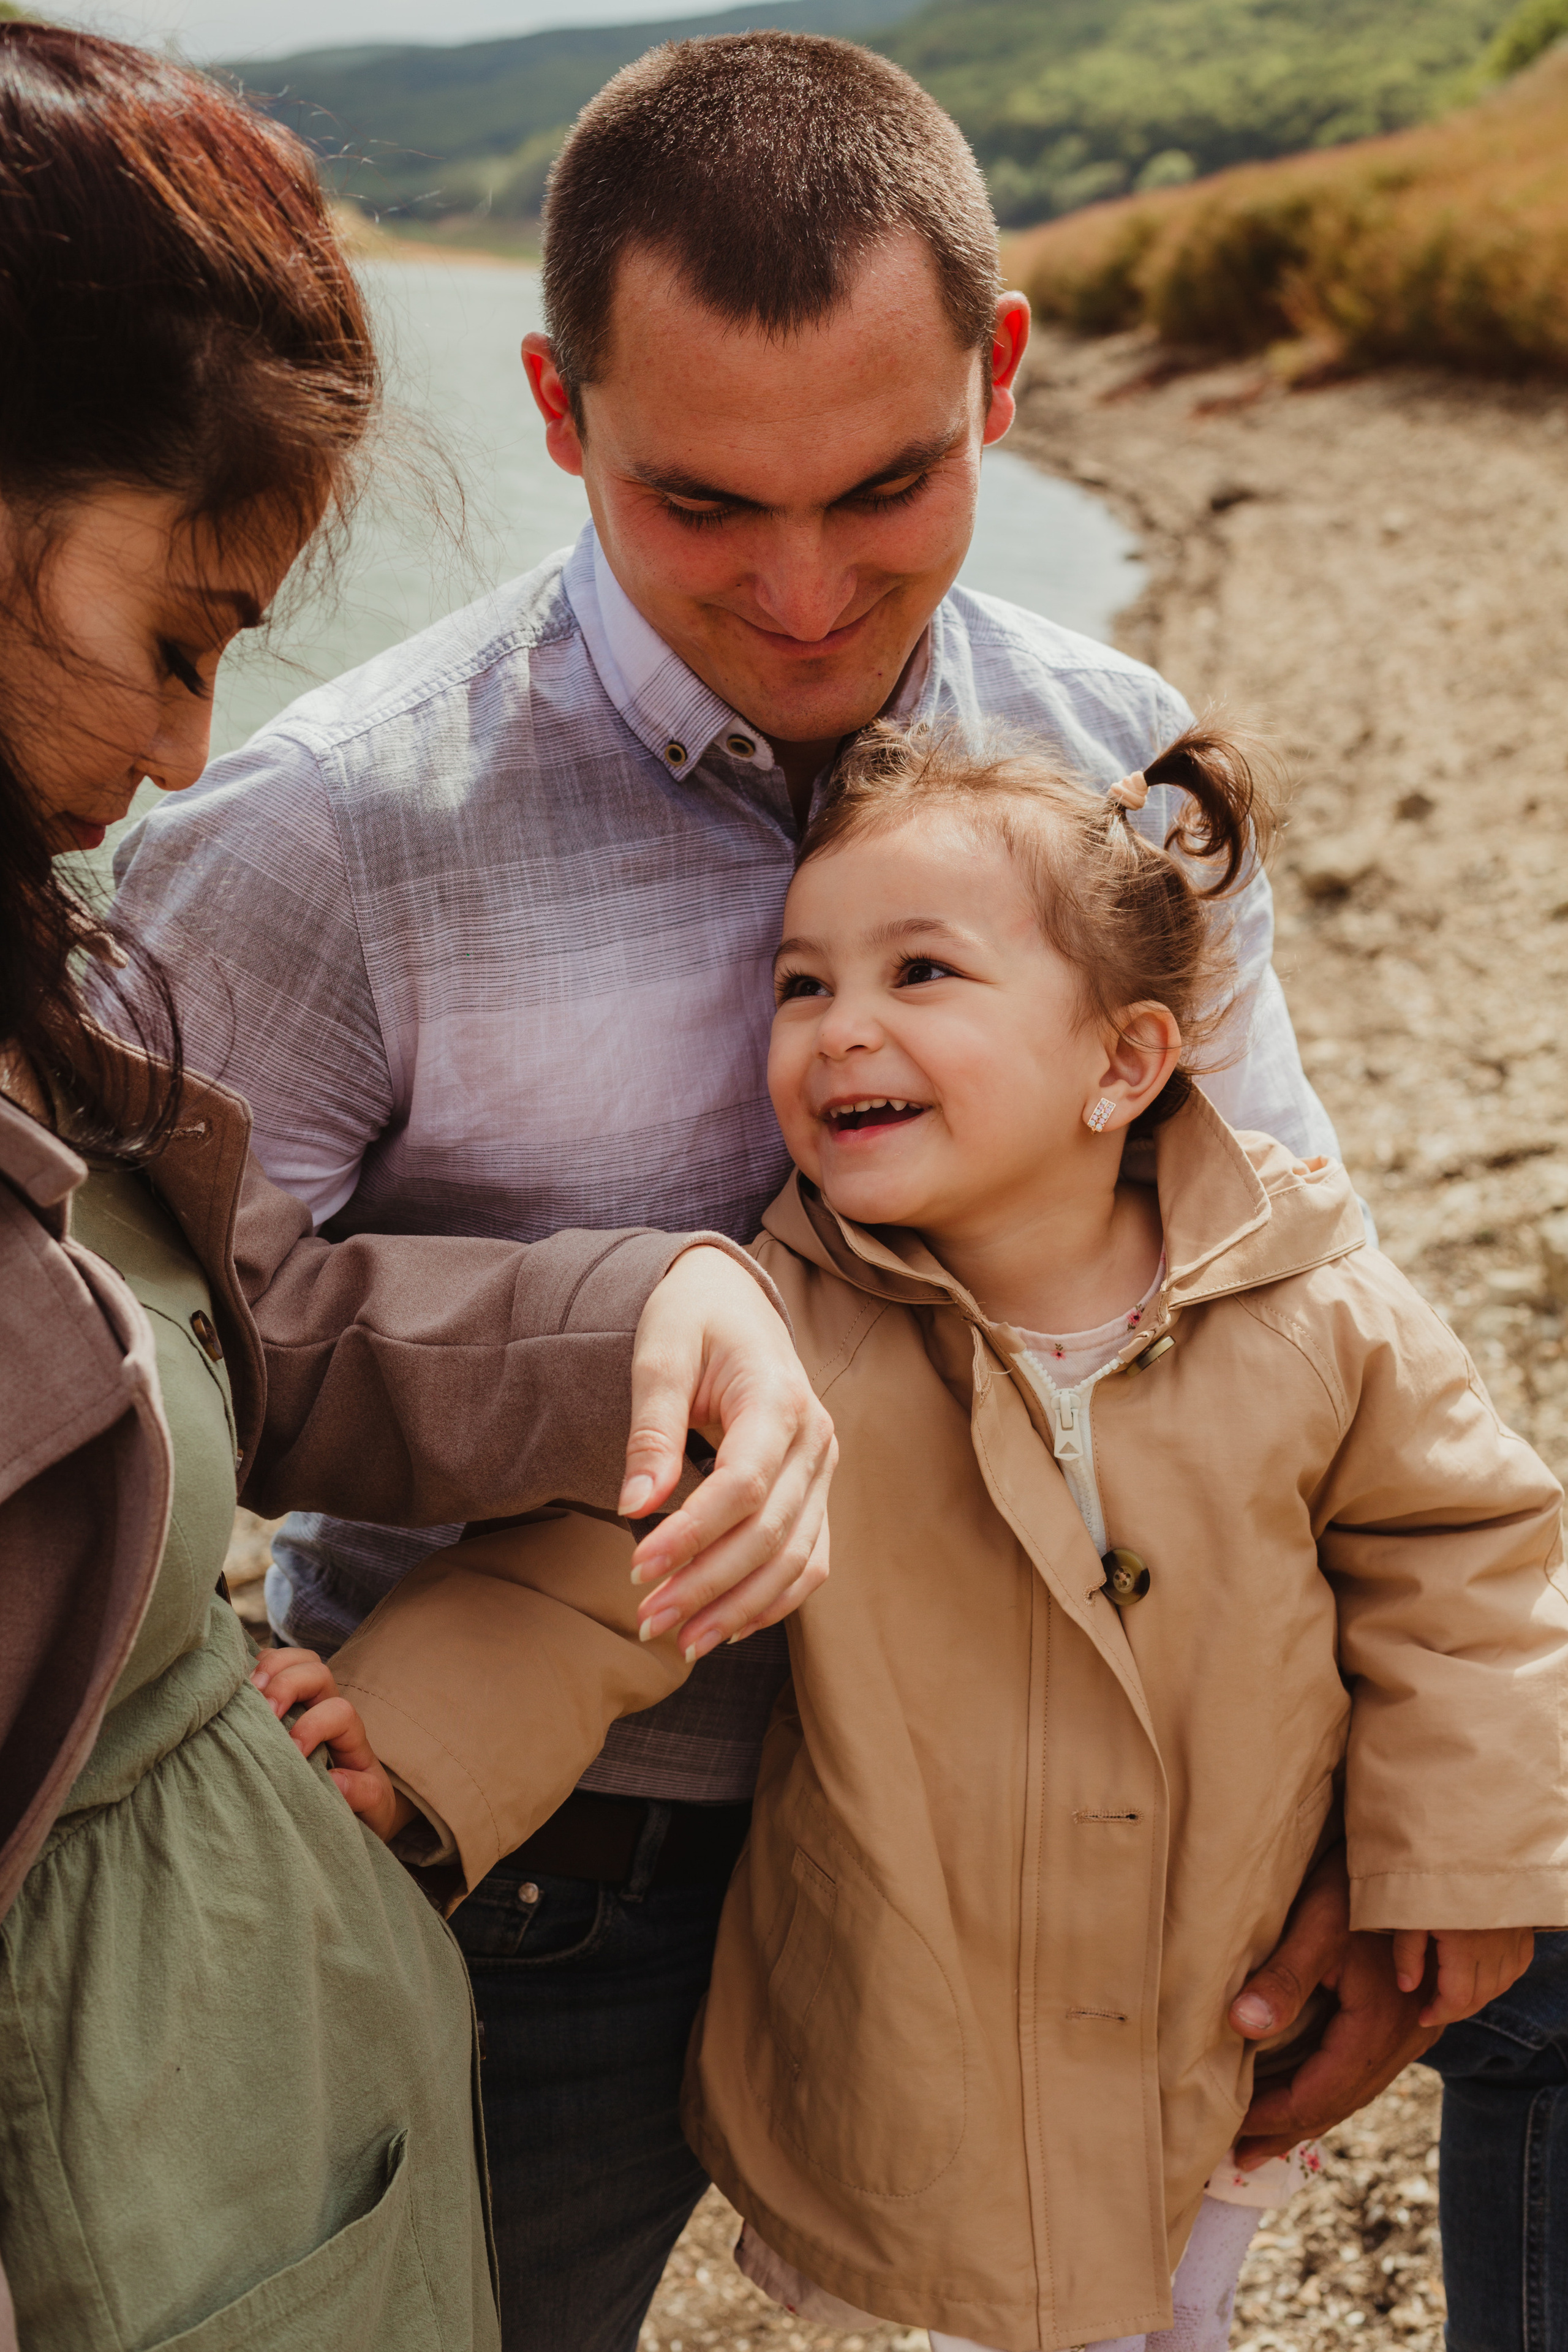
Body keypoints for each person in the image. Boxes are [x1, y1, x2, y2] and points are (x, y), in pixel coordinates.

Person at [110, 31, 1433, 2347]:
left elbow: (1292, 1293)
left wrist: (1397, 1828)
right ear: (554, 409)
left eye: (891, 486)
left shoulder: (1121, 758)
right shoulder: (316, 834)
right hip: (541, 1878)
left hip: (1079, 1849)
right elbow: (177, 1387)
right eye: (703, 503)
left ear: (1004, 377)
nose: (812, 594)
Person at [279, 716, 1568, 2352]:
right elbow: (598, 1583)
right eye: (802, 986)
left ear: (1124, 1063)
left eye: (920, 976)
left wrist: (1452, 1854)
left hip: (1213, 2004)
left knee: (1190, 2302)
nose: (839, 1029)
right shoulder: (797, 1329)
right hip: (949, 2032)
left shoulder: (1316, 1305)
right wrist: (401, 1737)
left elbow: (1466, 1558)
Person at [0, 26, 832, 2348]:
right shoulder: (303, 831)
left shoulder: (30, 979)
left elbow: (241, 1322)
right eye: (174, 639)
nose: (184, 752)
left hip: (271, 2201)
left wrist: (662, 1312)